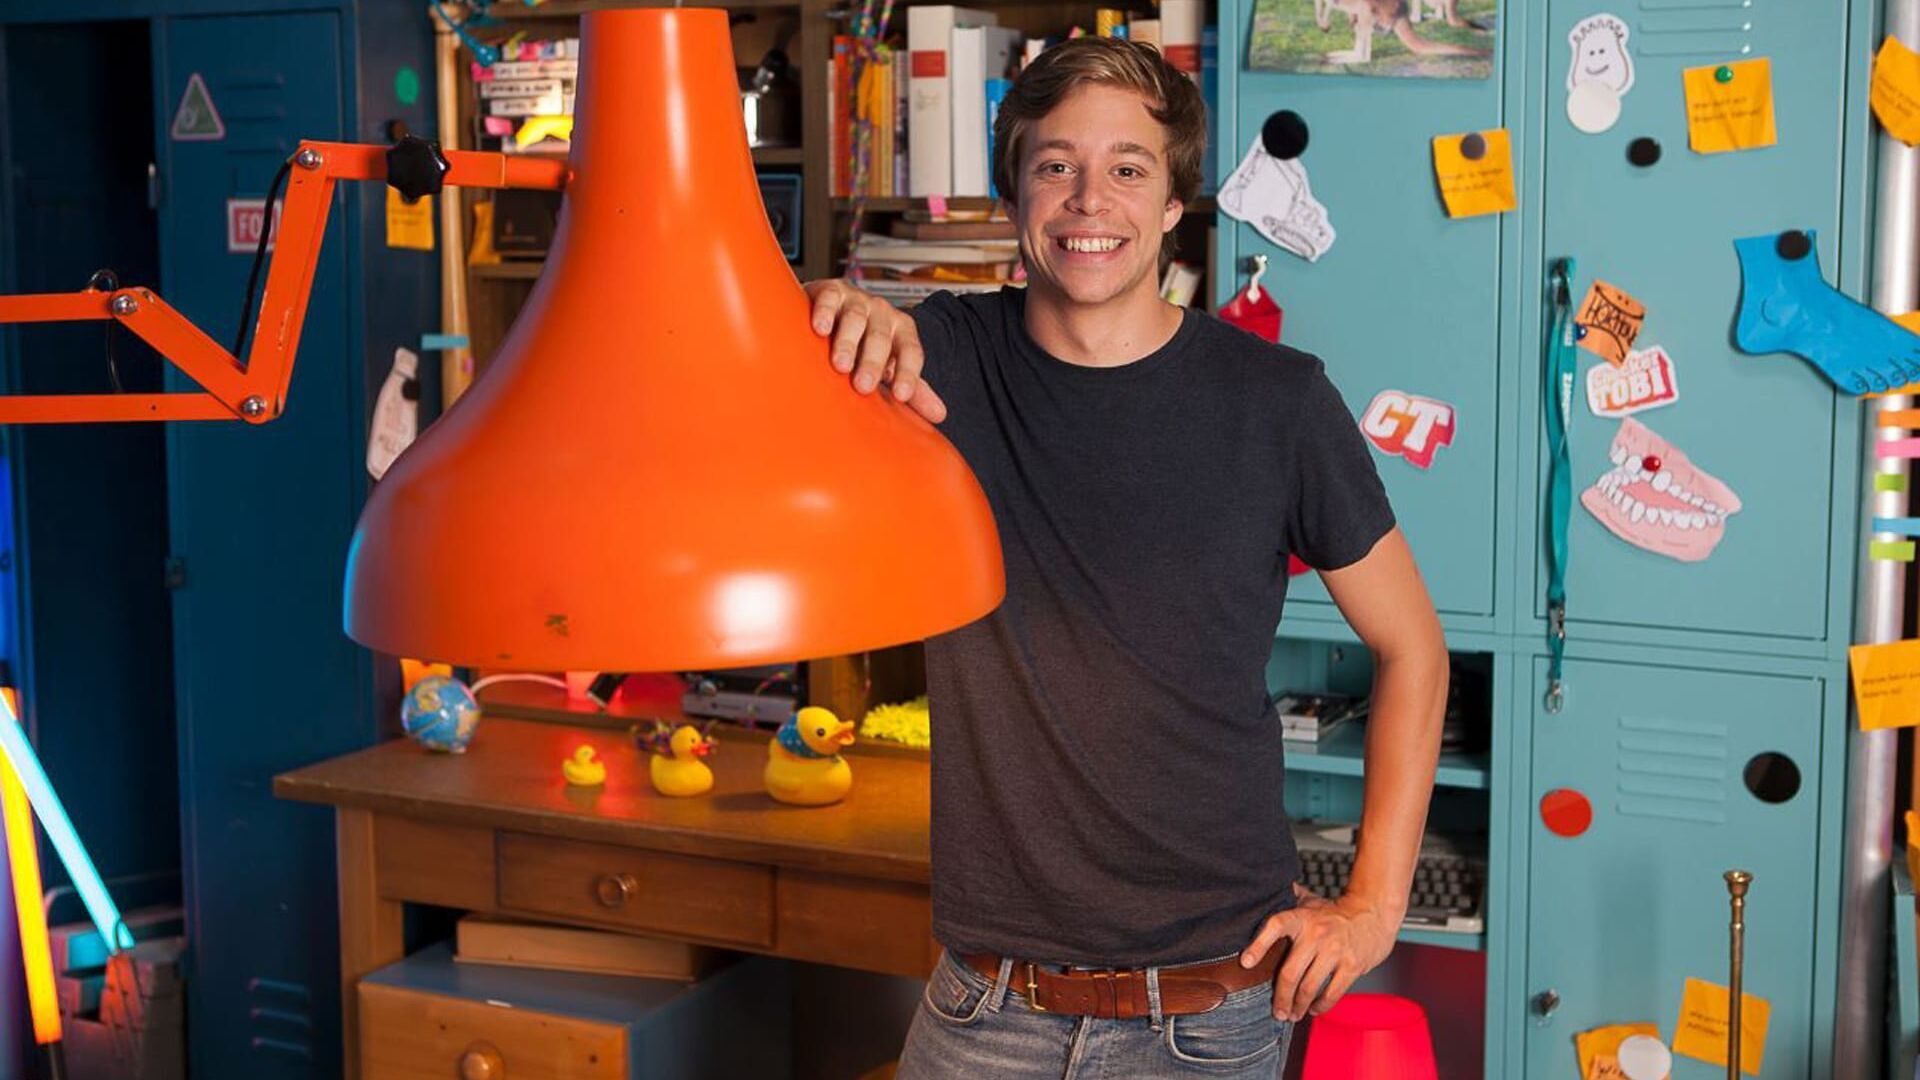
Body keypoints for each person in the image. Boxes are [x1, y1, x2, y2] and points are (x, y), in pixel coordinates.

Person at [805, 37, 1448, 1079]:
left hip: (1214, 1013)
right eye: (1056, 165)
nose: (1088, 200)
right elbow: (770, 371)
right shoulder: (939, 363)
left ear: (1173, 204)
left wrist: (1374, 906)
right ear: (1015, 195)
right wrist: (829, 313)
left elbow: (1413, 646)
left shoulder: (1278, 402)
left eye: (1128, 168)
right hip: (984, 1011)